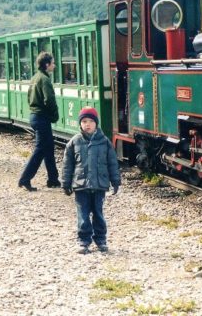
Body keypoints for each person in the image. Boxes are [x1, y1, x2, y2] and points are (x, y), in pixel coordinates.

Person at [61, 106, 120, 254]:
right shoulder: (74, 142)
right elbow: (67, 165)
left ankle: (101, 240)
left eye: (91, 121)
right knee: (83, 215)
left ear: (96, 123)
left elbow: (112, 163)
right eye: (84, 121)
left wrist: (115, 181)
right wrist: (65, 183)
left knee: (98, 214)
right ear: (80, 123)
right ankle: (83, 241)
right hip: (81, 185)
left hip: (99, 185)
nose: (87, 124)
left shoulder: (105, 142)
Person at [18, 52, 60, 192]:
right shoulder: (45, 79)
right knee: (40, 149)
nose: (54, 65)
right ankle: (25, 179)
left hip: (35, 116)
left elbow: (29, 97)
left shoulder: (35, 77)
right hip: (42, 117)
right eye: (53, 63)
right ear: (47, 64)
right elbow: (49, 100)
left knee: (49, 148)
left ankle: (53, 179)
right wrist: (55, 115)